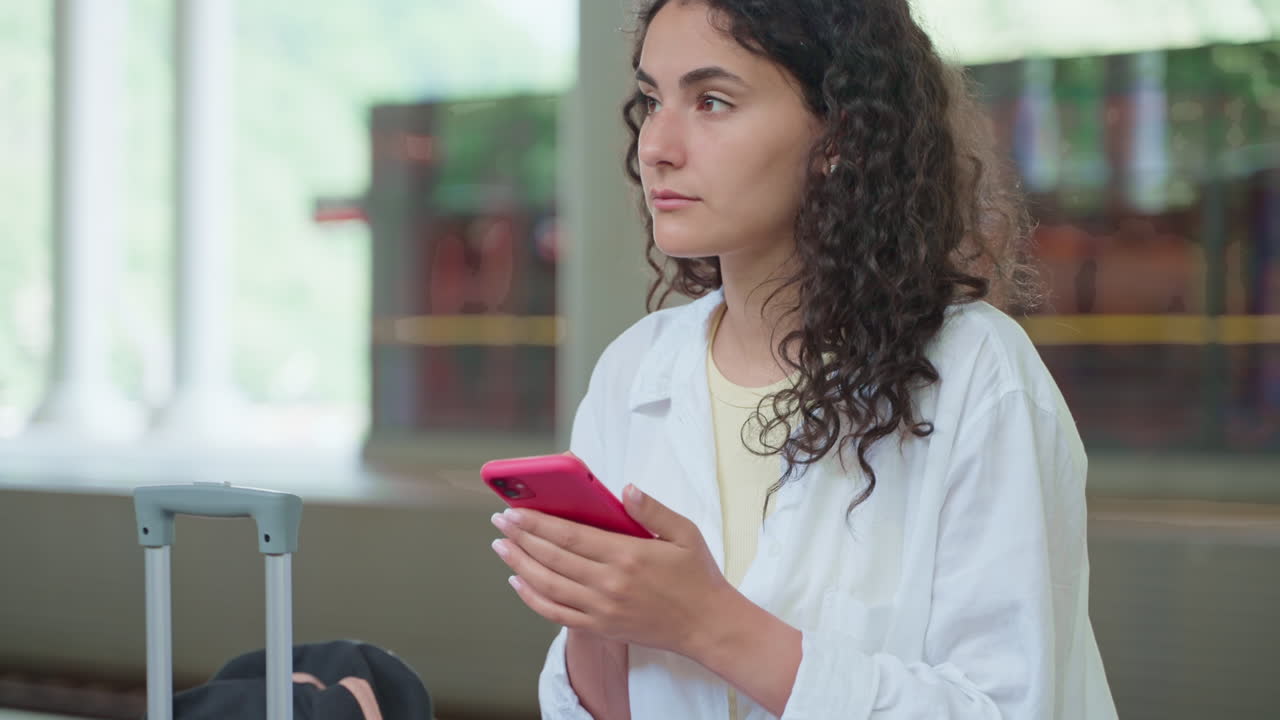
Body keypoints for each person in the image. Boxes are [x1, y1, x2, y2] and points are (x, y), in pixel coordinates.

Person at [488, 0, 1120, 717]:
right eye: (652, 99)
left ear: (839, 135)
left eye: (713, 101)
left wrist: (706, 622)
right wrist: (595, 614)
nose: (657, 145)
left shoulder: (977, 371)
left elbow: (1011, 706)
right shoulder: (634, 371)